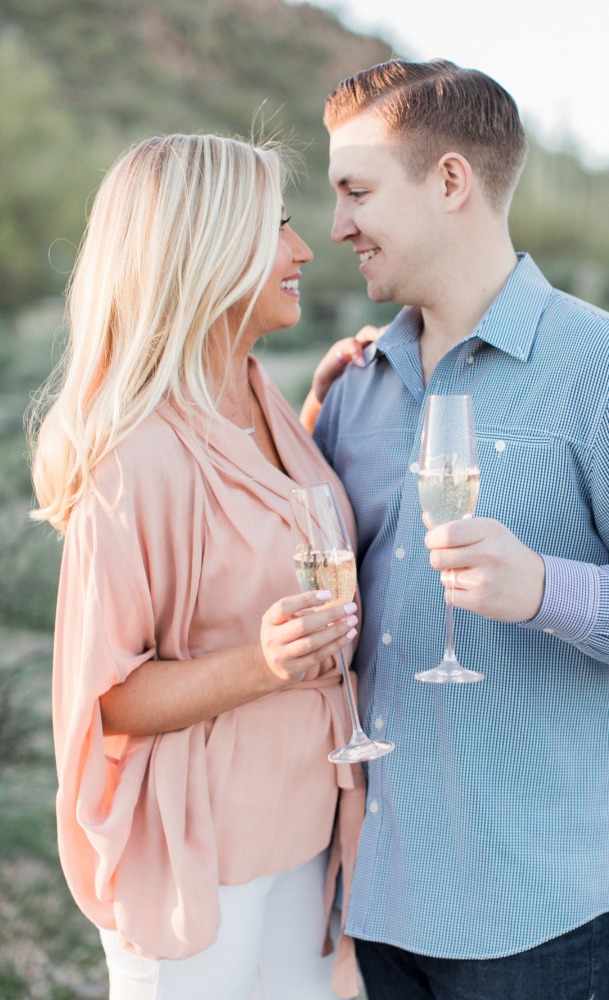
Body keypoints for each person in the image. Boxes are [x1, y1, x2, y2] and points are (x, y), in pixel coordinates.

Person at [304, 59, 609, 1000]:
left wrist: (550, 591)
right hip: (380, 897)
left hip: (541, 914)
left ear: (452, 182)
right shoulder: (355, 386)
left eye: (356, 191)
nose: (337, 225)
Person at [29, 133, 365, 1000]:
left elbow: (254, 513)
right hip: (195, 853)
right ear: (207, 250)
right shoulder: (132, 459)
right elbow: (107, 703)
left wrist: (323, 414)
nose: (302, 248)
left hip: (304, 829)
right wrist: (265, 664)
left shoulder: (261, 395)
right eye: (275, 227)